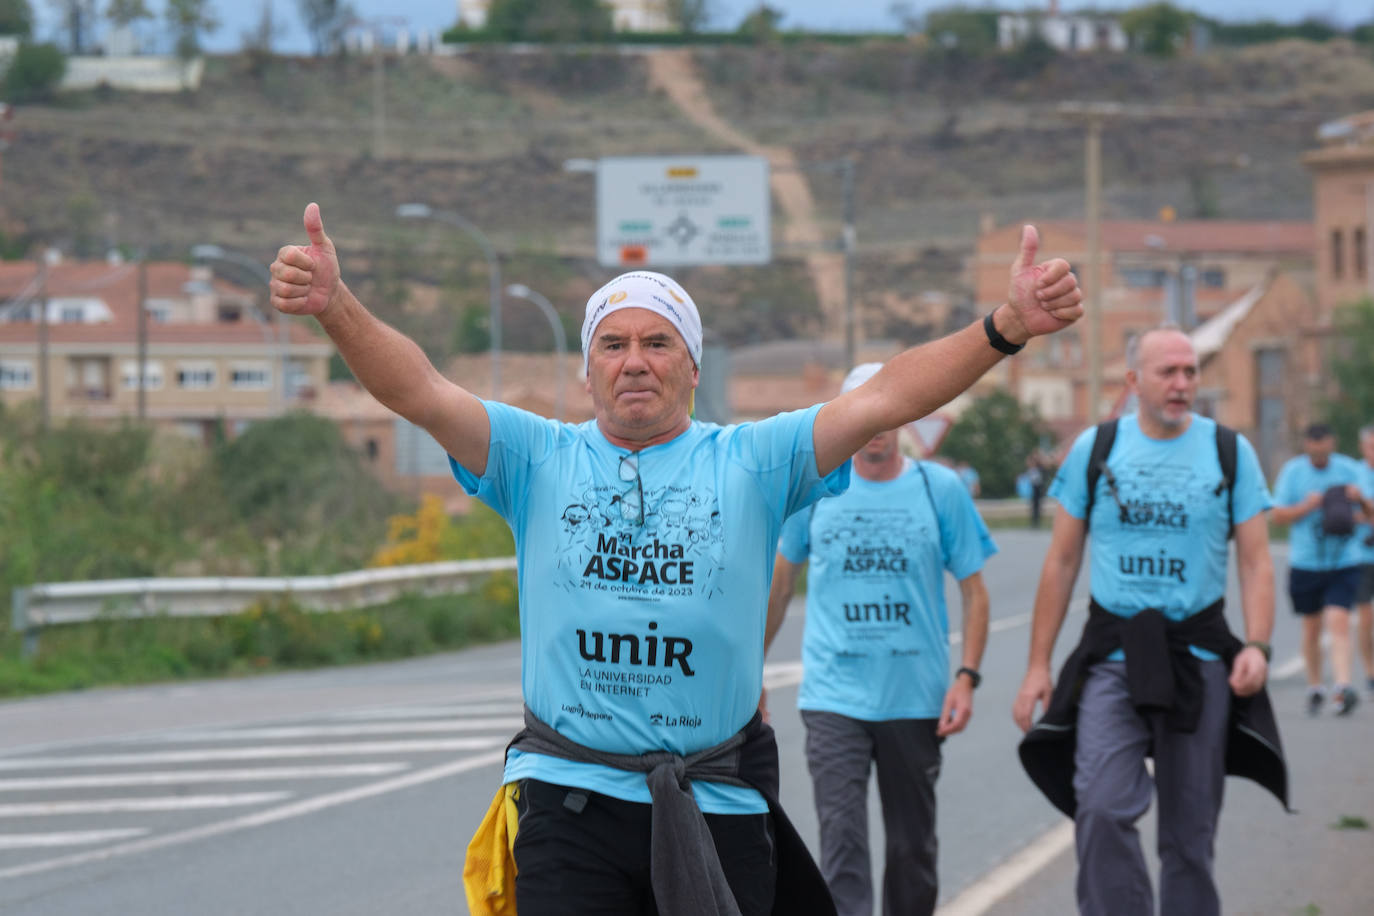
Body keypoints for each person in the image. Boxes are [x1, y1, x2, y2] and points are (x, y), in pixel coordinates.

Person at [270, 203, 1082, 916]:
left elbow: (886, 398)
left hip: (713, 804)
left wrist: (1004, 326)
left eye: (658, 343)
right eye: (613, 344)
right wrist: (334, 306)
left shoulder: (754, 461)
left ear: (692, 366)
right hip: (567, 799)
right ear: (586, 368)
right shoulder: (536, 457)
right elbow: (419, 391)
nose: (634, 360)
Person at [1012, 327, 1286, 916]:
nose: (1183, 384)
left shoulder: (1229, 451)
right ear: (1134, 380)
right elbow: (1061, 562)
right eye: (1169, 372)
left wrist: (1258, 645)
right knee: (1103, 807)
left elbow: (1257, 561)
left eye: (1191, 371)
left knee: (1189, 837)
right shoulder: (1097, 448)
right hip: (1112, 656)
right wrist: (1037, 665)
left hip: (1198, 656)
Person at [763, 362, 997, 916]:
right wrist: (749, 671)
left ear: (905, 417)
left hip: (914, 699)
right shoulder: (816, 491)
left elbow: (975, 591)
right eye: (864, 408)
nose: (876, 423)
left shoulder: (938, 489)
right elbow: (779, 586)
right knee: (841, 845)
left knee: (912, 850)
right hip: (833, 697)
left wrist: (966, 677)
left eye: (888, 409)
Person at [1271, 422, 1371, 715]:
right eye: (1314, 448)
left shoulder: (1349, 470)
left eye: (1324, 446)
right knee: (1311, 627)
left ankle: (1342, 687)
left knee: (1339, 620)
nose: (1319, 453)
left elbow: (1371, 513)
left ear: (1332, 443)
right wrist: (1308, 505)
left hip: (1345, 560)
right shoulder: (1293, 472)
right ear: (1306, 446)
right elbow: (1277, 515)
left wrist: (1360, 499)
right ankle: (1315, 685)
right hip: (1306, 561)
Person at [1354, 425, 1374, 694]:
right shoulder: (1353, 473)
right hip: (1361, 555)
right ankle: (1370, 670)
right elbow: (1345, 515)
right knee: (1365, 617)